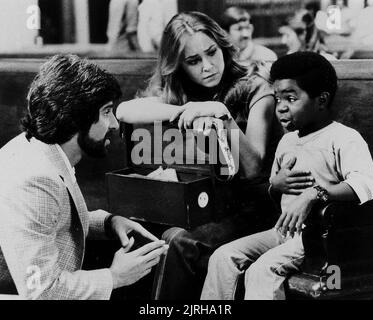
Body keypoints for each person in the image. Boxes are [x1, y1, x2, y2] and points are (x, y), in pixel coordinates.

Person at [116, 11, 286, 299]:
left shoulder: (255, 87)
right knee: (138, 234)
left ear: (222, 46)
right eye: (194, 61)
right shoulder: (183, 93)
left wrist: (222, 116)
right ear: (179, 65)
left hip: (256, 208)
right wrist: (185, 111)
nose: (208, 67)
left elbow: (254, 166)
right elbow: (124, 111)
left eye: (212, 53)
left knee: (180, 241)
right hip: (208, 204)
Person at [0, 54, 168, 299]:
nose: (114, 124)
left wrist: (108, 222)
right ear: (75, 118)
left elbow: (49, 220)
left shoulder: (42, 150)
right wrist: (115, 277)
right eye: (106, 112)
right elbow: (42, 291)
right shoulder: (33, 180)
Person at [201, 51, 373, 300]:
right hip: (283, 231)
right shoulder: (287, 141)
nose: (281, 107)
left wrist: (314, 194)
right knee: (222, 257)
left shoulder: (343, 138)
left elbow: (367, 184)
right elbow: (276, 194)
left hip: (317, 239)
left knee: (262, 271)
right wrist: (276, 185)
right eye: (277, 98)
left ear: (322, 100)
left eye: (291, 98)